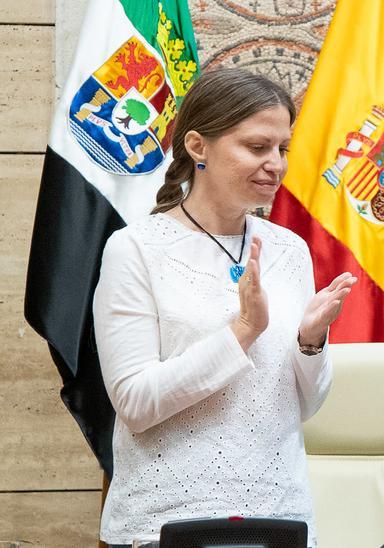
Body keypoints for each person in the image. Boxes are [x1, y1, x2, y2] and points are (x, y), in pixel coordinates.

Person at [94, 68, 357, 547]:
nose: (275, 164)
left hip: (281, 519)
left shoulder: (288, 250)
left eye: (283, 150)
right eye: (257, 147)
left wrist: (310, 343)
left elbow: (306, 404)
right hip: (163, 525)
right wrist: (242, 331)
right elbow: (135, 403)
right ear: (198, 147)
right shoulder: (135, 249)